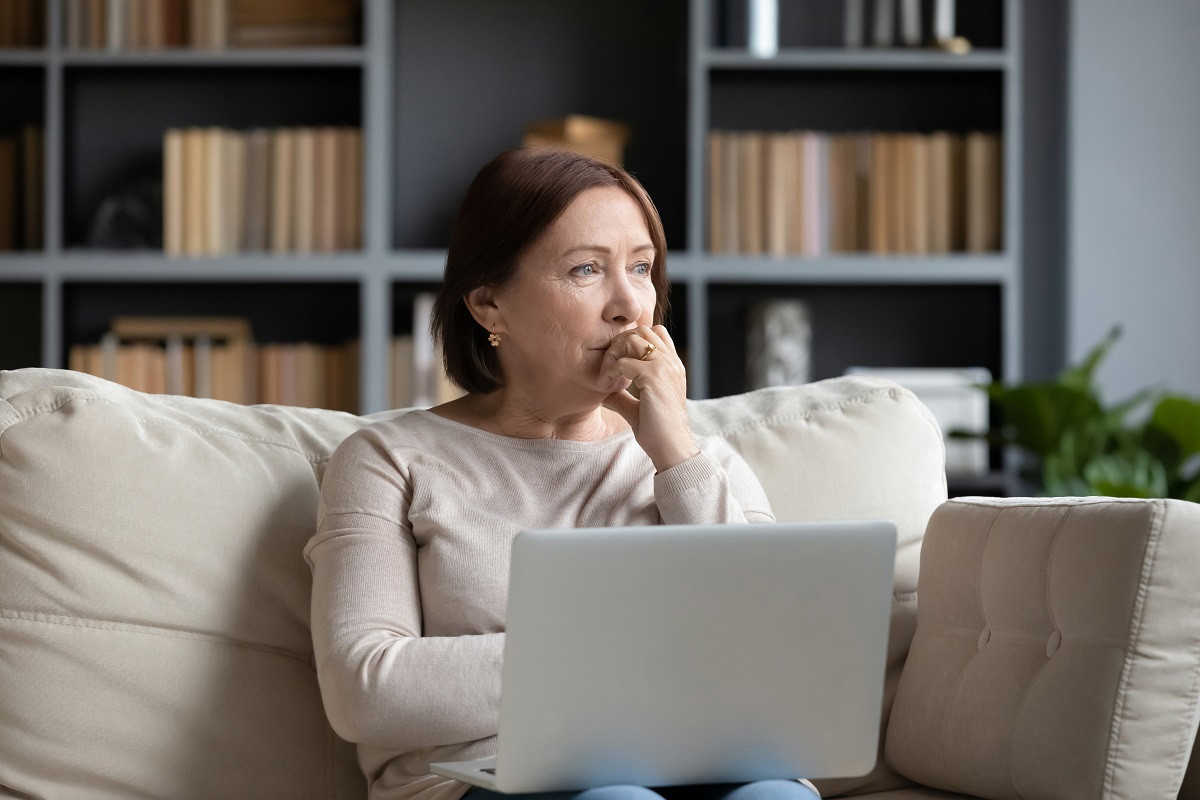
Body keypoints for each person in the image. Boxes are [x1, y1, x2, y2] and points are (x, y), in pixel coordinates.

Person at [303, 147, 819, 800]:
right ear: (489, 305)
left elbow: (772, 665)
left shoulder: (695, 460)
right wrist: (642, 658)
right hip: (494, 780)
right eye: (586, 270)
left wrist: (677, 460)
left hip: (699, 766)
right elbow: (365, 690)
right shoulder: (386, 460)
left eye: (641, 267)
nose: (630, 305)